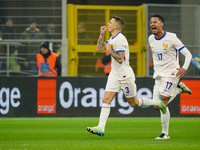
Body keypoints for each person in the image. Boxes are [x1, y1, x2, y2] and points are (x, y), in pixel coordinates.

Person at [86, 16, 167, 137]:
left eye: (110, 22)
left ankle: (157, 102)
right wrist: (102, 33)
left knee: (133, 103)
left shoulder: (121, 39)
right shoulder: (112, 38)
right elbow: (99, 48)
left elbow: (119, 59)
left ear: (116, 26)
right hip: (114, 74)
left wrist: (110, 50)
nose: (108, 24)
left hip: (125, 75)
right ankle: (100, 127)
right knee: (106, 99)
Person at [148, 14, 192, 140]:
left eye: (155, 22)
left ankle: (165, 133)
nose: (152, 24)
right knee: (159, 107)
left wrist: (184, 68)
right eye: (151, 22)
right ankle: (165, 133)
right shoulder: (150, 39)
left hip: (171, 74)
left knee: (160, 104)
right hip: (158, 76)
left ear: (161, 24)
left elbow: (188, 54)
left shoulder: (172, 37)